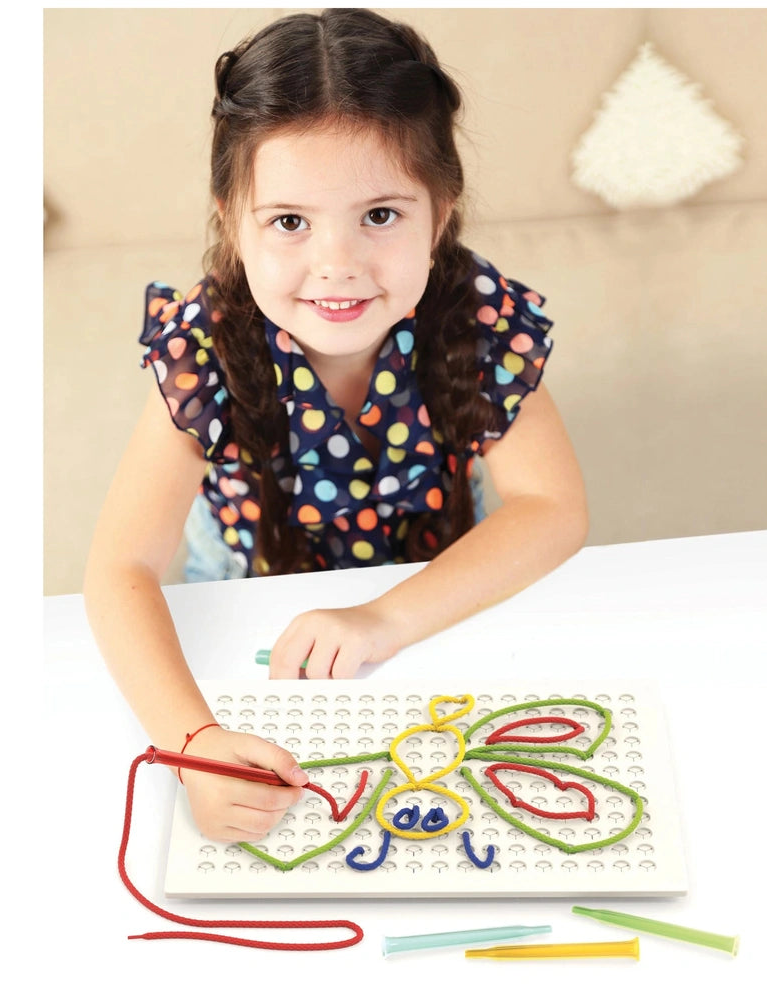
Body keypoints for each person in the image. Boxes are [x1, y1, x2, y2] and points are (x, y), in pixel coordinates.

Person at [84, 8, 588, 844]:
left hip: (441, 567)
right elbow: (119, 566)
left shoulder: (479, 317)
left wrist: (381, 619)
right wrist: (194, 746)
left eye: (381, 216)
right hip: (250, 578)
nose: (338, 263)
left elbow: (554, 508)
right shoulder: (204, 340)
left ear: (443, 211)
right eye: (289, 221)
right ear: (232, 219)